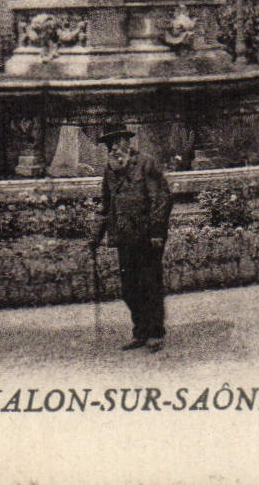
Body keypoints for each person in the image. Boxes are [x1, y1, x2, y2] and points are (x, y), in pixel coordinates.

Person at [89, 127, 172, 351]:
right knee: (129, 288)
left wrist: (156, 231)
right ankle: (140, 331)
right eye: (109, 144)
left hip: (147, 237)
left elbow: (162, 199)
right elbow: (106, 206)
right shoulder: (110, 171)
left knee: (149, 283)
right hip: (124, 237)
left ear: (128, 142)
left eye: (117, 142)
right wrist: (95, 236)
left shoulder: (146, 164)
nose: (114, 148)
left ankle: (155, 333)